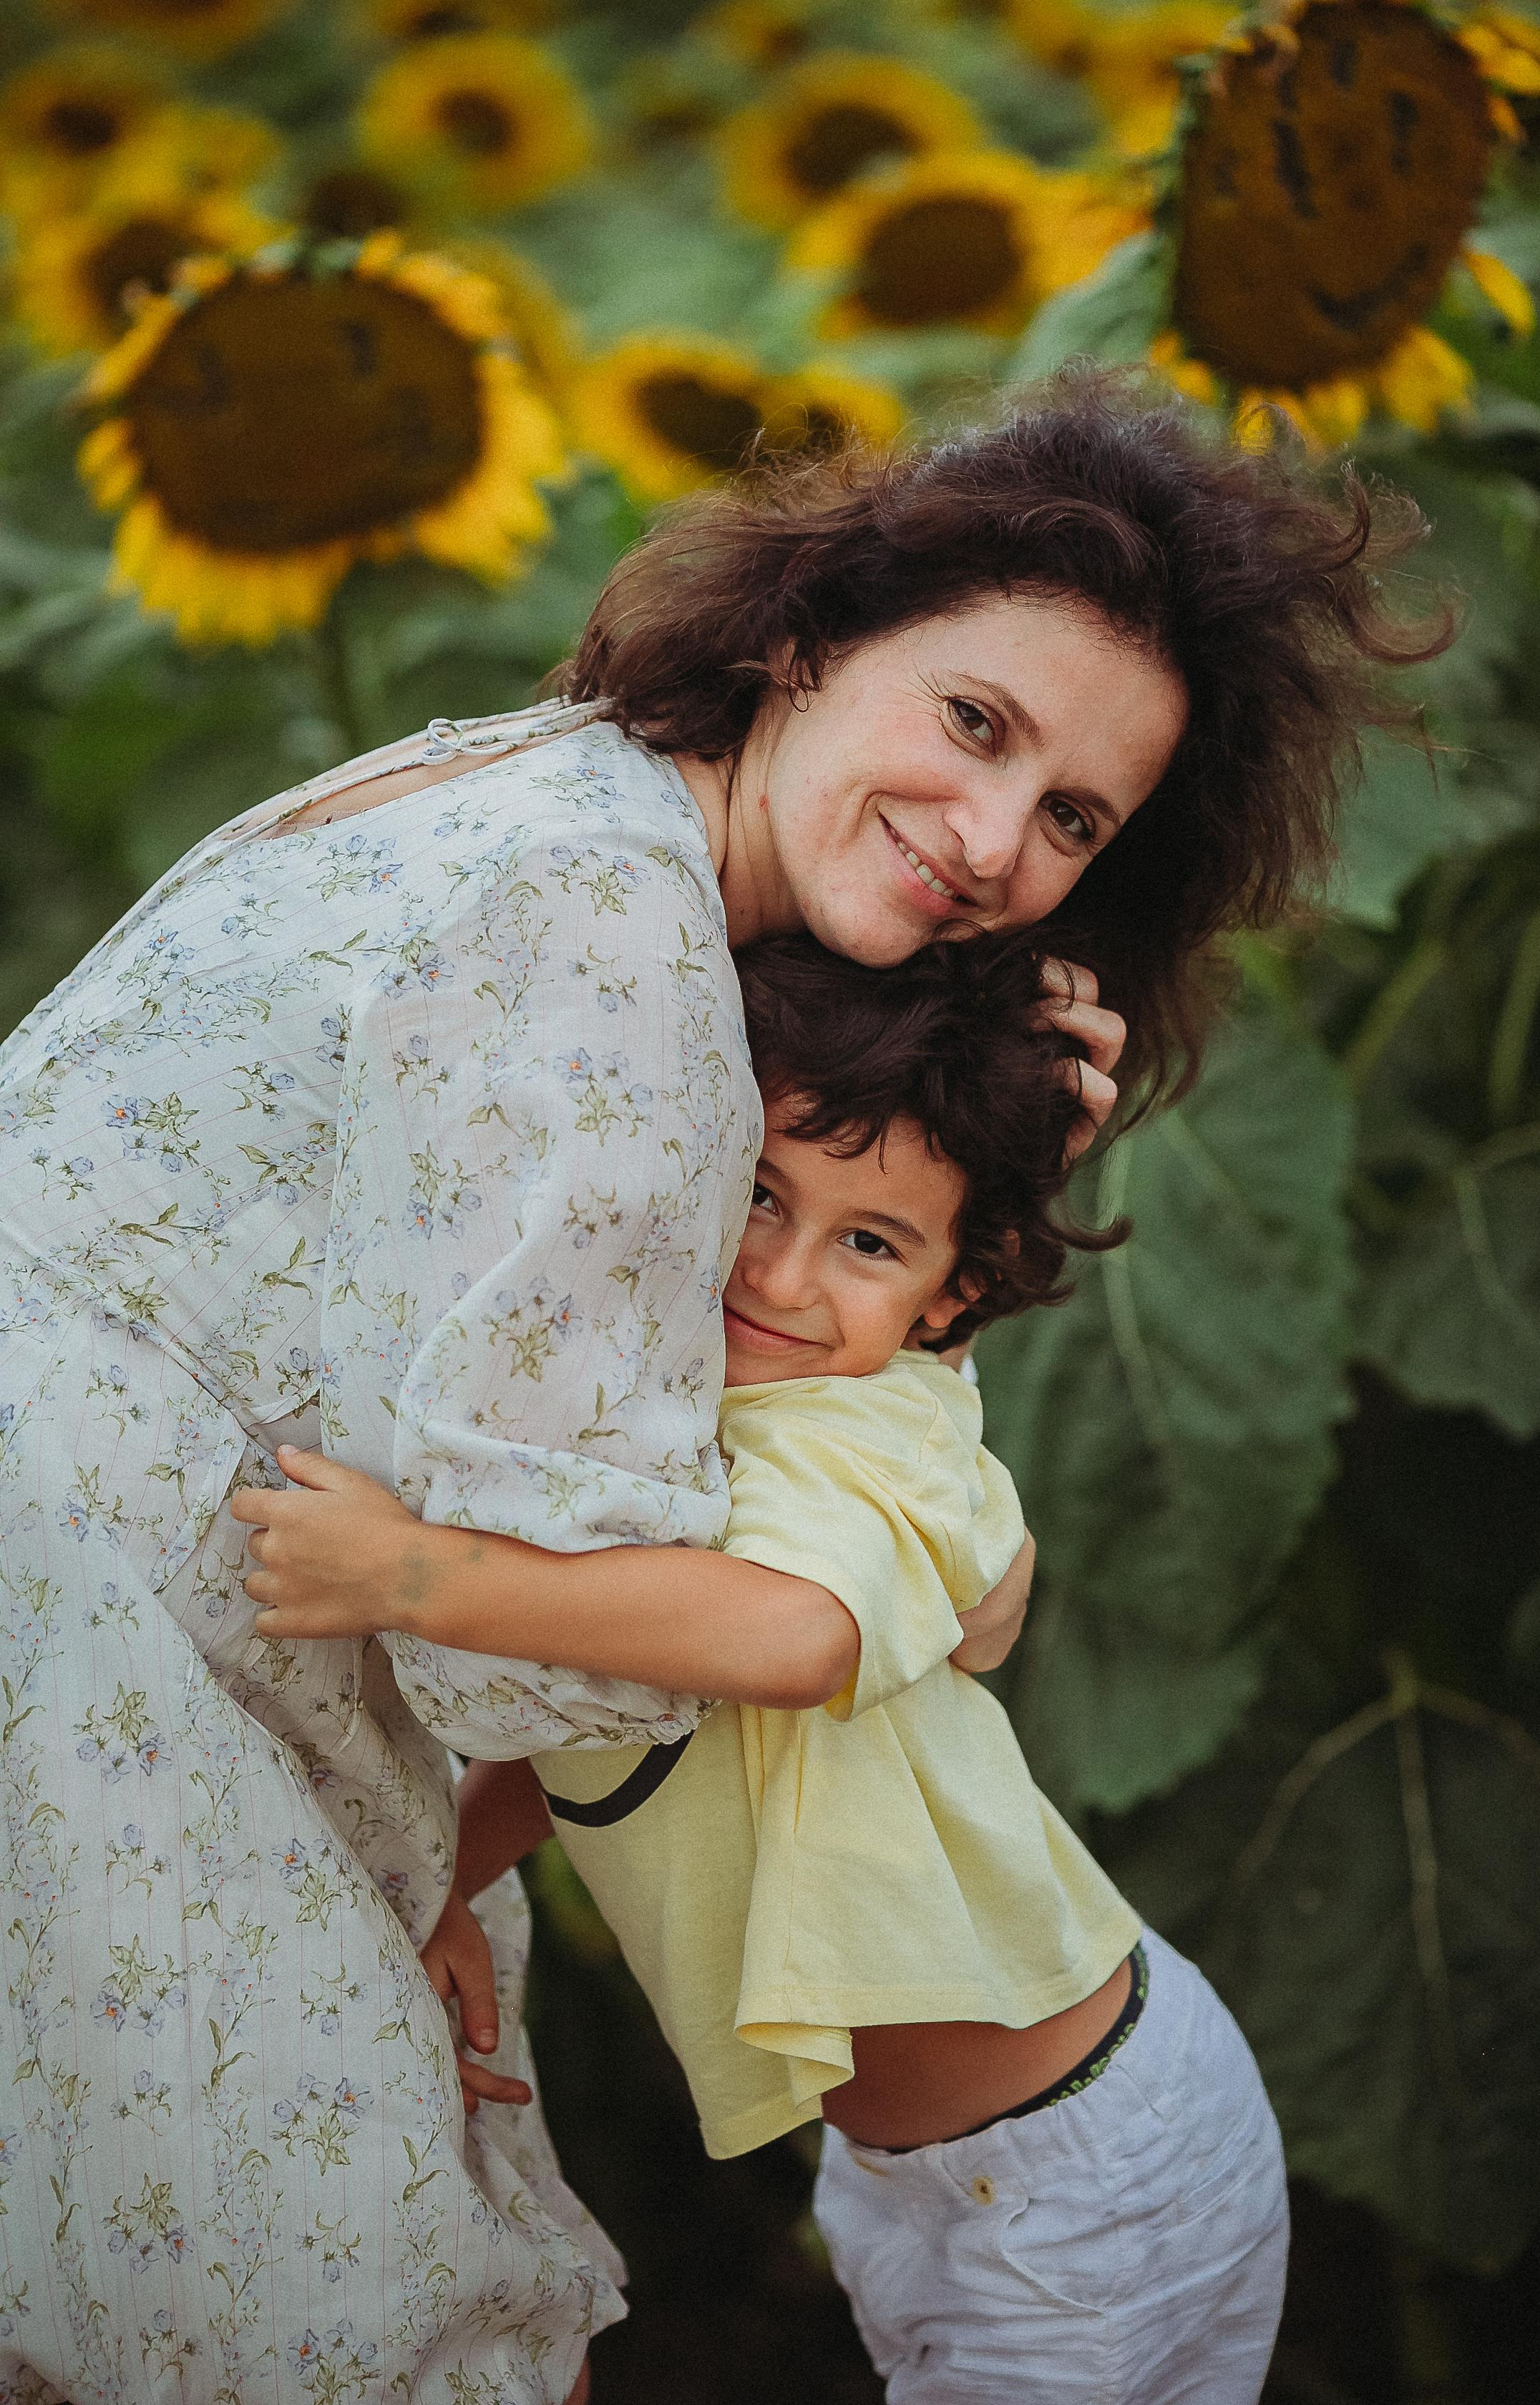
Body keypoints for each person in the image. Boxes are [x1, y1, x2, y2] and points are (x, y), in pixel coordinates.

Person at [0, 372, 1441, 2399]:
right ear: (810, 641)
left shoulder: (551, 791)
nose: (993, 843)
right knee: (343, 2328)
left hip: (127, 1632)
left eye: (1072, 822)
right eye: (974, 723)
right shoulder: (619, 935)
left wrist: (959, 1163)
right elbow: (571, 1658)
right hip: (120, 1657)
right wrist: (947, 1570)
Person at [234, 930, 1290, 2403]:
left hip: (1083, 2164)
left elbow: (792, 1639)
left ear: (947, 1298)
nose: (783, 1273)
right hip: (923, 2170)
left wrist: (414, 1573)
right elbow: (614, 1720)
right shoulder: (670, 1428)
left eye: (869, 1241)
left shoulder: (862, 1437)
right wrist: (439, 1875)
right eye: (756, 1192)